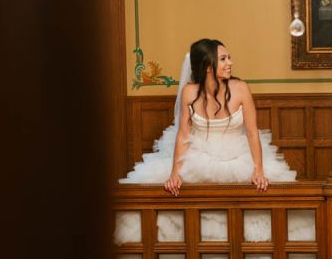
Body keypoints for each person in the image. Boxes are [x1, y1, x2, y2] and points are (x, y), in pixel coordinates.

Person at [122, 38, 297, 193]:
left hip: (237, 156)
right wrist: (175, 173)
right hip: (198, 154)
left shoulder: (241, 88)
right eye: (223, 59)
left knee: (262, 188)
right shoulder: (189, 92)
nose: (230, 63)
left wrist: (258, 170)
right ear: (207, 67)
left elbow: (252, 133)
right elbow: (183, 135)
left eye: (229, 57)